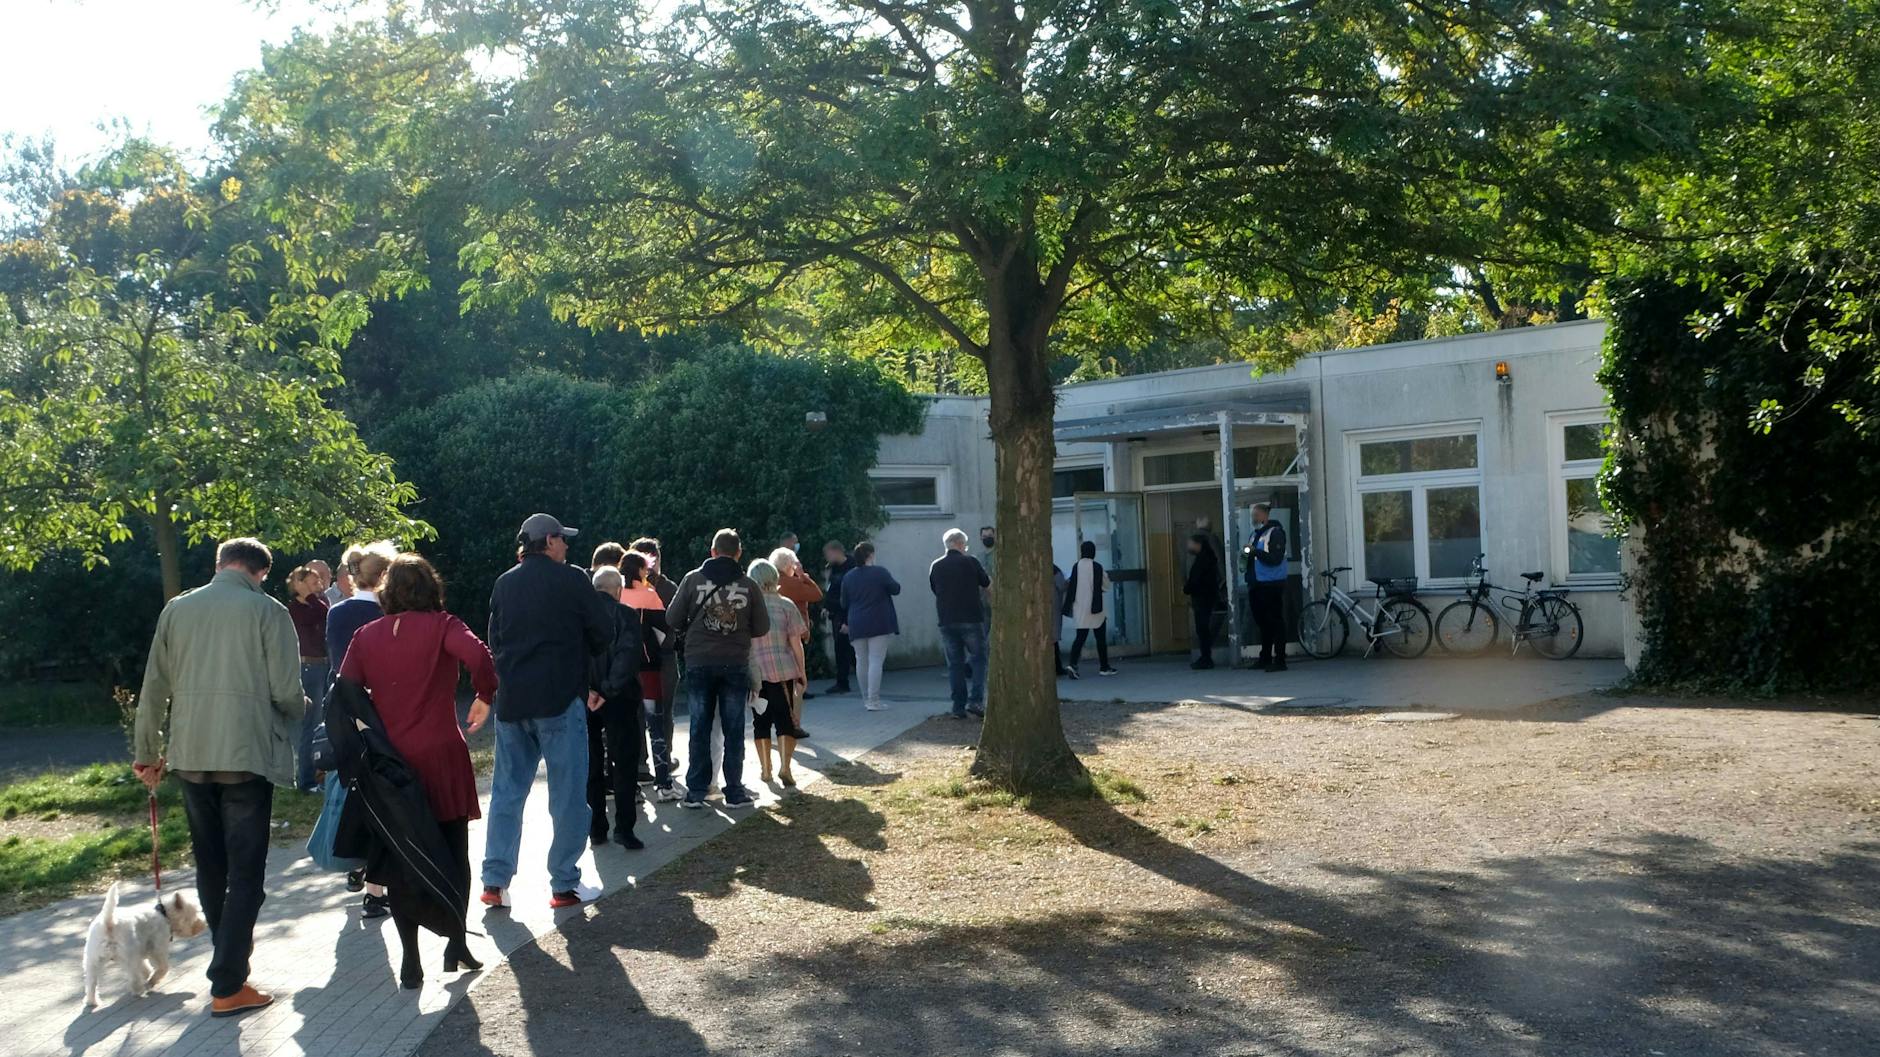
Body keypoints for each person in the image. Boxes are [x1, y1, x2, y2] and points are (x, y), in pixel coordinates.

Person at [132, 537, 302, 1019]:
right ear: (261, 572)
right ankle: (227, 983)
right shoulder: (268, 611)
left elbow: (154, 687)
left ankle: (229, 970)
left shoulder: (177, 609)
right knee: (246, 874)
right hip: (246, 754)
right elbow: (286, 690)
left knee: (211, 866)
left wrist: (147, 753)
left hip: (190, 755)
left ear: (220, 565)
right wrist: (299, 708)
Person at [336, 553, 494, 983]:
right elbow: (480, 657)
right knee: (453, 851)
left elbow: (345, 687)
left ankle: (410, 961)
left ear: (386, 592)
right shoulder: (443, 625)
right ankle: (456, 943)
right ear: (431, 588)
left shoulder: (366, 635)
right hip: (441, 754)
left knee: (400, 857)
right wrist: (484, 695)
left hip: (390, 761)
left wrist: (371, 729)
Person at [482, 513, 614, 910]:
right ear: (550, 541)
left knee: (506, 794)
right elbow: (603, 633)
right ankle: (564, 884)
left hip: (513, 702)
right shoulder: (572, 579)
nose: (568, 545)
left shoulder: (504, 583)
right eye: (563, 538)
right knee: (568, 795)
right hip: (559, 698)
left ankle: (494, 881)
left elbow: (494, 639)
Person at [667, 529, 769, 809]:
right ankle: (734, 791)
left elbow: (672, 618)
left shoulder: (692, 579)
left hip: (699, 661)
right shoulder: (748, 585)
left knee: (699, 726)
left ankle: (696, 792)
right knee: (734, 728)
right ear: (739, 553)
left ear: (712, 551)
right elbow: (762, 627)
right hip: (735, 662)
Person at [584, 566, 645, 849]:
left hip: (586, 698)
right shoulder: (626, 615)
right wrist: (608, 690)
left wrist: (588, 689)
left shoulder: (580, 617)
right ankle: (624, 828)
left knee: (591, 763)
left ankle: (596, 827)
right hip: (620, 697)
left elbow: (573, 656)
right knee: (624, 763)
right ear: (618, 590)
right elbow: (627, 656)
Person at [620, 552, 682, 802]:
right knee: (655, 724)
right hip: (648, 668)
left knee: (626, 726)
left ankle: (631, 785)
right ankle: (664, 783)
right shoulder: (649, 594)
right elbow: (665, 628)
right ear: (640, 570)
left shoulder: (617, 594)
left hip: (621, 671)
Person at [747, 558, 810, 786]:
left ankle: (766, 770)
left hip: (756, 675)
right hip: (783, 672)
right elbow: (796, 643)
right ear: (774, 578)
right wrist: (802, 672)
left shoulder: (747, 608)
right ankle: (785, 767)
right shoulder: (786, 605)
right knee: (786, 721)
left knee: (760, 721)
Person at [929, 529, 990, 719]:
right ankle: (976, 701)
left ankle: (958, 706)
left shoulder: (936, 565)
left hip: (947, 620)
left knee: (955, 665)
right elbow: (986, 583)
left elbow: (935, 590)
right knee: (979, 659)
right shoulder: (971, 561)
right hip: (971, 618)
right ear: (960, 544)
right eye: (965, 545)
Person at [840, 541, 901, 711]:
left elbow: (843, 602)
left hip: (856, 622)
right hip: (879, 621)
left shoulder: (848, 576)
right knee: (875, 660)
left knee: (861, 660)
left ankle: (866, 699)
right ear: (871, 555)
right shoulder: (880, 572)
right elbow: (896, 589)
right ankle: (873, 700)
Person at [285, 566, 331, 792]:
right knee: (309, 723)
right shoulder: (294, 610)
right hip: (307, 667)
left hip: (321, 665)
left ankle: (315, 774)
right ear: (299, 585)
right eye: (313, 583)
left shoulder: (317, 604)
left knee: (318, 721)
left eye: (319, 582)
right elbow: (320, 614)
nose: (319, 586)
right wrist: (309, 596)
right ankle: (306, 779)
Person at [770, 546, 823, 711]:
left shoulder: (770, 582)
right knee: (795, 671)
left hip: (774, 633)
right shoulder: (794, 583)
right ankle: (795, 712)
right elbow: (817, 594)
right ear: (789, 565)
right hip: (794, 632)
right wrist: (803, 577)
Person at [1245, 502, 1290, 672]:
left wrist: (1255, 552)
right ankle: (1265, 657)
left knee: (1275, 621)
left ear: (1265, 515)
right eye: (1252, 516)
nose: (1253, 518)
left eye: (1256, 515)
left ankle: (1280, 660)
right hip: (1256, 584)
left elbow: (1275, 559)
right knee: (1262, 623)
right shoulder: (1254, 534)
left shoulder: (1275, 533)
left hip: (1271, 584)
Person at [1063, 540, 1118, 677]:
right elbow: (1106, 585)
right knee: (1100, 639)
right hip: (1096, 608)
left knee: (1080, 638)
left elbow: (1071, 586)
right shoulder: (1097, 567)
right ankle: (1104, 667)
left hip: (1080, 608)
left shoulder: (1076, 566)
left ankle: (1072, 664)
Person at [1183, 532, 1225, 670]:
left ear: (1198, 544)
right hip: (1206, 597)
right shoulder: (1207, 558)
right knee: (1203, 629)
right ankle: (1205, 657)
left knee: (1202, 629)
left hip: (1202, 598)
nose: (1189, 547)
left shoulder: (1202, 560)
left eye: (1191, 544)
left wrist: (1187, 588)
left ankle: (1206, 658)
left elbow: (1196, 580)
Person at [821, 540, 856, 695]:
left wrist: (847, 621)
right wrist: (826, 606)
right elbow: (831, 588)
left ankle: (849, 681)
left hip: (847, 613)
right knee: (841, 649)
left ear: (836, 551)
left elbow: (853, 595)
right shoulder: (834, 567)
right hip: (836, 613)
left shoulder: (852, 566)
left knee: (848, 648)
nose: (826, 557)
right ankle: (843, 682)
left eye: (828, 554)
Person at [1052, 563, 1072, 677]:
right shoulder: (1054, 570)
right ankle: (1057, 667)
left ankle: (1057, 666)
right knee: (1054, 638)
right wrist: (1069, 581)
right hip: (1054, 606)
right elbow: (1062, 586)